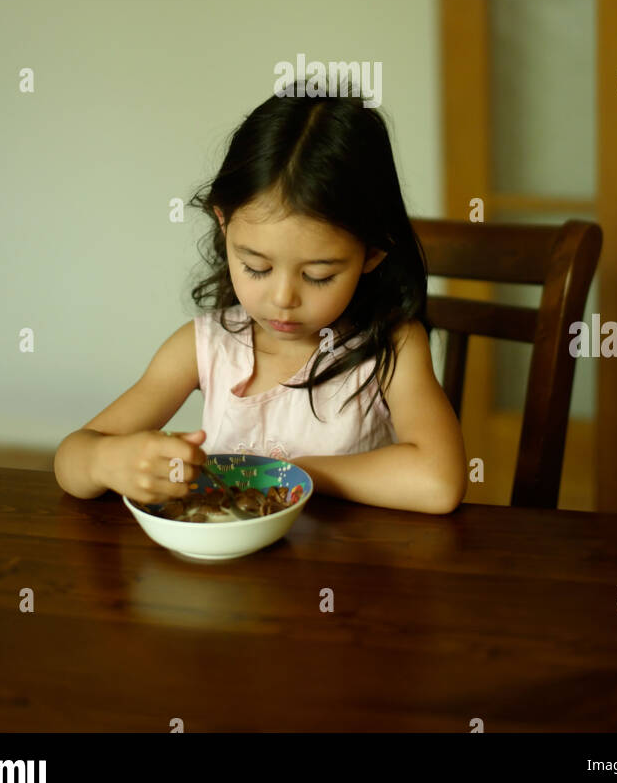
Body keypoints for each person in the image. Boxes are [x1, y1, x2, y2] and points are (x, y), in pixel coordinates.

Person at [54, 86, 467, 514]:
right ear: (223, 224)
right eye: (257, 268)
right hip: (227, 577)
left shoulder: (392, 347)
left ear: (372, 254)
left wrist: (289, 474)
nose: (283, 298)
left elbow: (438, 482)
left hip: (345, 572)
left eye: (318, 275)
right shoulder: (204, 348)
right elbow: (71, 459)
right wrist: (109, 462)